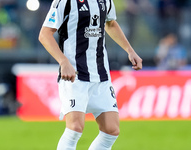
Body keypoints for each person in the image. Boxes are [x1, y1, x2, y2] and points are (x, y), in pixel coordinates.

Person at [39, 0, 142, 149]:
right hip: (75, 75)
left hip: (101, 74)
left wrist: (130, 50)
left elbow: (110, 23)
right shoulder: (65, 1)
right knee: (75, 128)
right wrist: (63, 62)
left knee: (111, 130)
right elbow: (44, 34)